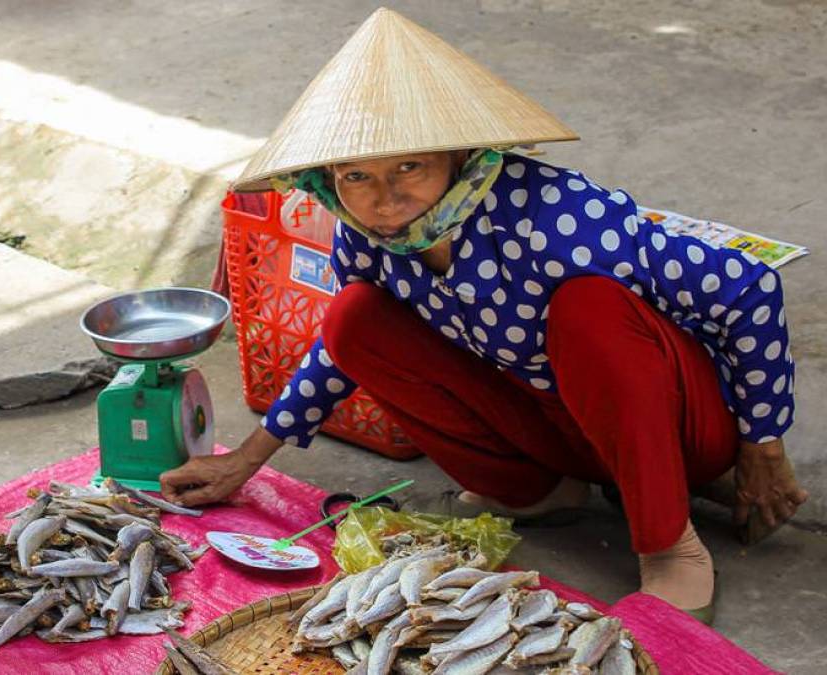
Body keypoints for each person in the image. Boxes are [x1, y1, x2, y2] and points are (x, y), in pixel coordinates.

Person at [160, 8, 807, 624]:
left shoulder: (562, 218)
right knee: (355, 317)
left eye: (410, 165)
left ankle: (670, 542)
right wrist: (246, 460)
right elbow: (341, 347)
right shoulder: (364, 231)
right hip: (561, 426)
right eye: (357, 175)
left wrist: (762, 444)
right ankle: (541, 490)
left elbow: (748, 289)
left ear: (461, 155)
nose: (386, 200)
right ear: (331, 179)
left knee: (590, 309)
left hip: (679, 428)